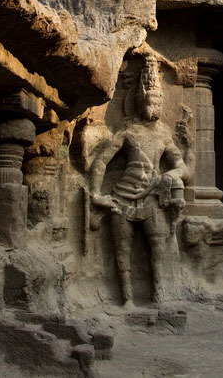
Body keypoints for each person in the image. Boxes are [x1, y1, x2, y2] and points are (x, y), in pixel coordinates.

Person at [88, 56, 189, 306]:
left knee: (158, 246)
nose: (152, 103)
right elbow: (102, 162)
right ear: (137, 100)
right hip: (122, 197)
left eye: (156, 99)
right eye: (147, 98)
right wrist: (96, 194)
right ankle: (127, 300)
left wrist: (170, 175)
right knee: (122, 251)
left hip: (152, 195)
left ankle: (158, 295)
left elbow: (182, 168)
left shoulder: (165, 135)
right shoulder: (127, 132)